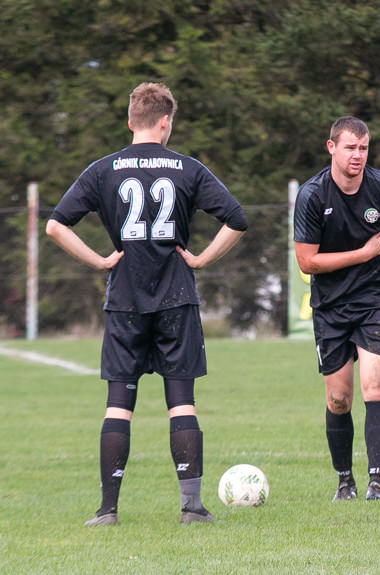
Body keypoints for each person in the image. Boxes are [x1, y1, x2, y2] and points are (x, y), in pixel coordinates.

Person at [46, 82, 247, 525]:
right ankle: (191, 509)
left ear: (130, 120)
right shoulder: (188, 168)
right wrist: (200, 259)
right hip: (177, 297)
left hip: (125, 301)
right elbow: (237, 219)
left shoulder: (103, 169)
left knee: (119, 403)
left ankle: (108, 510)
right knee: (182, 402)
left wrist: (100, 261)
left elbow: (56, 226)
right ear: (165, 122)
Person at [293, 116, 380, 502]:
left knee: (375, 386)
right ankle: (344, 481)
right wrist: (362, 254)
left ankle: (377, 483)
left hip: (377, 302)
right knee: (338, 399)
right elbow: (306, 262)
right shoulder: (312, 195)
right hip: (331, 307)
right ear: (331, 147)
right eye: (350, 148)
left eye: (363, 148)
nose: (358, 156)